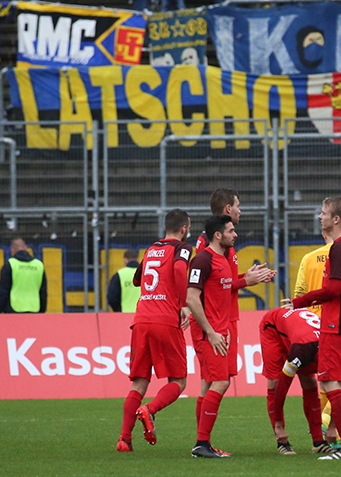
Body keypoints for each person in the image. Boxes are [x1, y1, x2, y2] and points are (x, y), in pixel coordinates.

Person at [192, 188, 274, 450]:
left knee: (213, 381)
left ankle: (203, 441)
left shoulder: (224, 245)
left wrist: (247, 278)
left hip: (225, 318)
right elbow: (201, 287)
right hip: (214, 321)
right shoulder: (208, 249)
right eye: (238, 205)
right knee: (215, 381)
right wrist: (246, 281)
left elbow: (224, 282)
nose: (240, 210)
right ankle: (201, 442)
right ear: (228, 209)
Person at [284, 196, 341, 460]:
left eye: (324, 212)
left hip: (336, 323)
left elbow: (334, 289)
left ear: (336, 219)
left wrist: (300, 301)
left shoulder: (339, 248)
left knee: (331, 383)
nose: (320, 216)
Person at [117, 209, 192, 452]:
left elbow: (137, 279)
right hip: (165, 319)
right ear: (184, 228)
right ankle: (149, 410)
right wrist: (183, 304)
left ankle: (124, 439)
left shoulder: (151, 249)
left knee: (139, 383)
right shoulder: (182, 248)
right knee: (178, 381)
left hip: (141, 320)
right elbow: (179, 270)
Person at [187, 215, 237, 458]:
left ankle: (203, 442)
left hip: (219, 331)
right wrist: (211, 332)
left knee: (208, 384)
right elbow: (191, 297)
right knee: (221, 382)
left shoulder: (222, 259)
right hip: (208, 333)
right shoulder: (202, 260)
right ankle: (201, 443)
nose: (234, 235)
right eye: (230, 231)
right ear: (218, 235)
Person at [293, 232, 340, 450]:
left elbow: (299, 293)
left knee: (324, 381)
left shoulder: (309, 258)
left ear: (323, 233)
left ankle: (323, 436)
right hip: (338, 323)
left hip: (312, 325)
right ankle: (328, 426)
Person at [259, 306, 326, 455]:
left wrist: (333, 427)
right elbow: (282, 389)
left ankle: (318, 442)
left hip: (301, 336)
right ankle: (281, 441)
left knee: (310, 382)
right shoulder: (301, 351)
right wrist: (278, 424)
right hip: (273, 328)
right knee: (275, 383)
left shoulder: (334, 349)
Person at [0, 238, 47, 314]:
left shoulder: (10, 264)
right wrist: (42, 310)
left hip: (13, 309)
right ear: (25, 247)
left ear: (12, 250)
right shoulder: (39, 265)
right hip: (34, 309)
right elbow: (43, 291)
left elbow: (3, 291)